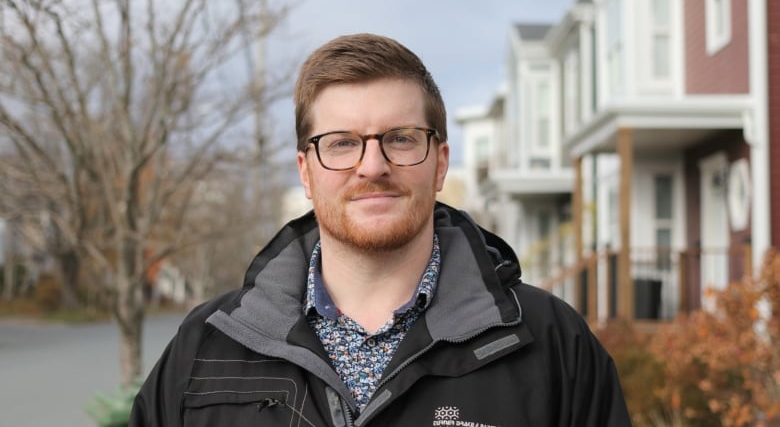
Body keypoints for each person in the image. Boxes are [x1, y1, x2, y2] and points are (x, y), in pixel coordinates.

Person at [130, 33, 631, 427]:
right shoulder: (209, 346)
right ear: (306, 171)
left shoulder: (551, 343)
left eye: (400, 138)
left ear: (439, 163)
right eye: (342, 143)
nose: (372, 166)